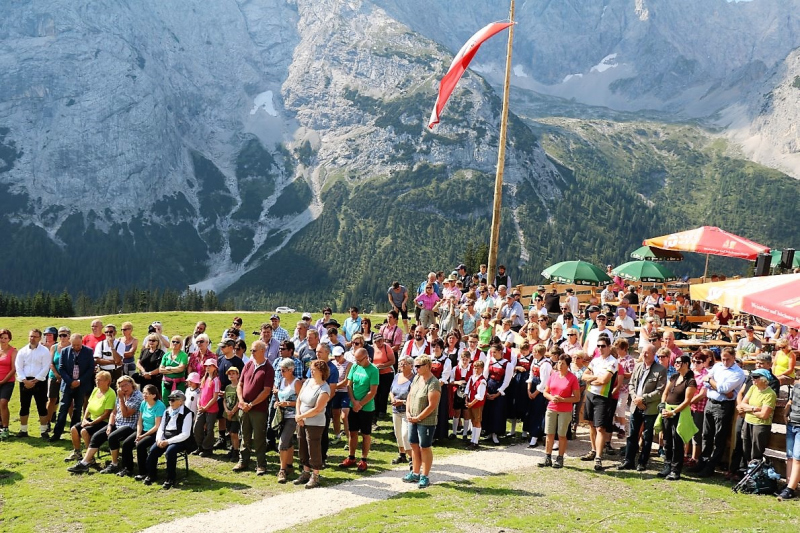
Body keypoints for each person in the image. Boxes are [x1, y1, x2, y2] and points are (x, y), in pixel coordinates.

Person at [690, 347, 746, 478]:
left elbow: (724, 388)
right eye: (723, 359)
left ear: (733, 358)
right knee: (706, 434)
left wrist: (712, 382)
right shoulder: (717, 366)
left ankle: (711, 466)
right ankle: (702, 462)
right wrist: (716, 385)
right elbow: (707, 381)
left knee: (719, 437)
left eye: (728, 359)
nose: (725, 362)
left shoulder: (738, 372)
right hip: (710, 402)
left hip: (723, 405)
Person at [68, 375, 143, 474]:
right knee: (97, 436)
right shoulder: (121, 394)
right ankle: (84, 463)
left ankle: (114, 464)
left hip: (130, 425)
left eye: (126, 385)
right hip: (117, 423)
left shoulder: (137, 396)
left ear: (132, 384)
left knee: (112, 437)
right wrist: (110, 425)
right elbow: (113, 412)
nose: (124, 388)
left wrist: (121, 398)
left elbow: (126, 414)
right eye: (121, 386)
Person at [619, 345, 667, 472]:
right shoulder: (638, 366)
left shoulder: (660, 370)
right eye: (643, 352)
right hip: (636, 406)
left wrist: (643, 399)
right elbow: (631, 384)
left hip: (649, 408)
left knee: (647, 436)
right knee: (632, 434)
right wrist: (635, 398)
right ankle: (628, 460)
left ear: (653, 354)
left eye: (647, 353)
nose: (644, 355)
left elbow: (660, 391)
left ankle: (642, 462)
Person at [234, 341, 275, 476]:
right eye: (251, 350)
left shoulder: (268, 368)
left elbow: (266, 391)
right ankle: (243, 460)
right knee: (244, 435)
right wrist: (241, 402)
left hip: (258, 409)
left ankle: (261, 464)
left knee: (259, 437)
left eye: (254, 350)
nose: (251, 353)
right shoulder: (248, 364)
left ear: (263, 351)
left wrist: (251, 404)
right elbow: (240, 384)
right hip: (244, 407)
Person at [403, 354, 442, 489]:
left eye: (418, 366)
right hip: (412, 418)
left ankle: (425, 475)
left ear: (427, 366)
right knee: (413, 445)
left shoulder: (434, 383)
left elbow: (432, 405)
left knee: (424, 447)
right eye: (415, 366)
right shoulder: (417, 378)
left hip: (426, 421)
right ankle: (415, 472)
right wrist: (408, 412)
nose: (416, 368)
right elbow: (410, 395)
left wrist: (418, 417)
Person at [580, 334, 618, 471]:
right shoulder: (595, 360)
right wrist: (595, 377)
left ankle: (599, 457)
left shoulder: (613, 362)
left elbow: (604, 380)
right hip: (591, 394)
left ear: (609, 347)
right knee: (591, 424)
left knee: (600, 428)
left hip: (603, 397)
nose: (600, 348)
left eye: (603, 346)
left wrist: (592, 379)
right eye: (598, 346)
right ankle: (593, 450)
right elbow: (584, 376)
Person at [144, 389, 195, 489]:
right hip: (166, 437)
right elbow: (161, 428)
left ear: (181, 401)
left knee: (170, 451)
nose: (170, 402)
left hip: (180, 440)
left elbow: (185, 434)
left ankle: (170, 478)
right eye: (169, 400)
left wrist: (168, 442)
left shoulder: (187, 413)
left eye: (173, 400)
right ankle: (151, 475)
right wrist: (159, 439)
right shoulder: (167, 411)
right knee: (153, 450)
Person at [657, 355, 698, 481]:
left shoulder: (690, 381)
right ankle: (667, 466)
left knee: (677, 443)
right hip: (667, 411)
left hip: (679, 414)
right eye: (675, 362)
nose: (676, 364)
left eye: (679, 362)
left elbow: (687, 401)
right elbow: (665, 392)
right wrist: (663, 406)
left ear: (686, 364)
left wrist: (673, 412)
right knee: (667, 441)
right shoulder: (674, 377)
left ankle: (676, 470)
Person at [49, 333, 95, 442]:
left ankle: (75, 433)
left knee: (77, 410)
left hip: (81, 385)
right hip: (67, 385)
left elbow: (90, 368)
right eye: (74, 345)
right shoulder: (65, 351)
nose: (76, 347)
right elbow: (61, 368)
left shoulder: (88, 351)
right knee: (63, 409)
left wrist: (79, 381)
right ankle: (57, 434)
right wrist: (70, 381)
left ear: (82, 342)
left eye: (78, 345)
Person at [294, 359, 331, 489]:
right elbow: (299, 399)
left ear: (321, 371)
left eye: (314, 369)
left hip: (315, 423)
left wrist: (301, 416)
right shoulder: (308, 382)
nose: (311, 371)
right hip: (302, 420)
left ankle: (315, 475)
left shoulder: (325, 389)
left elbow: (317, 409)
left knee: (313, 447)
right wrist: (298, 415)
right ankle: (305, 472)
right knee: (302, 445)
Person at [539, 353, 580, 468]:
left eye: (563, 364)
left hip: (565, 410)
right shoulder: (553, 375)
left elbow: (577, 397)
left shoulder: (572, 378)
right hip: (551, 408)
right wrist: (552, 397)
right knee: (549, 433)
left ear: (568, 365)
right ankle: (547, 457)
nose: (560, 365)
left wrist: (563, 400)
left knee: (561, 434)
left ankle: (560, 458)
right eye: (559, 363)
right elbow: (545, 392)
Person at [64, 371, 115, 465]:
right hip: (91, 419)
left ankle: (90, 458)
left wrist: (91, 423)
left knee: (84, 431)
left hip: (103, 421)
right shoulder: (95, 390)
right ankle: (77, 452)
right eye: (96, 379)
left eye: (100, 380)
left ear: (107, 381)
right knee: (74, 429)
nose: (97, 381)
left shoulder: (111, 394)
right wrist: (84, 419)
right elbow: (88, 406)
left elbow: (106, 414)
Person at [341, 347, 379, 471]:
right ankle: (351, 457)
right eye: (355, 359)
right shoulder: (355, 366)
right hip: (353, 405)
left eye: (359, 360)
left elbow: (372, 391)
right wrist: (353, 401)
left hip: (366, 407)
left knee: (365, 434)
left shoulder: (373, 370)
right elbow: (349, 385)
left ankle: (363, 459)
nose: (357, 362)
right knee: (352, 432)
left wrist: (360, 404)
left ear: (366, 357)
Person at [14, 329, 51, 438]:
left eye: (35, 336)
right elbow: (18, 367)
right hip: (25, 381)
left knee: (41, 406)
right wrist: (24, 380)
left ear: (40, 338)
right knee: (24, 405)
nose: (32, 338)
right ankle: (23, 430)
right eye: (31, 336)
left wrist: (35, 380)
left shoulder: (44, 351)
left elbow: (46, 367)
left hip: (39, 382)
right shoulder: (22, 351)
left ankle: (43, 431)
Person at [121, 384, 164, 478]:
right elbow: (140, 421)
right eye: (143, 393)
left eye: (147, 393)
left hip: (155, 433)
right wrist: (138, 434)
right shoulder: (143, 403)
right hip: (143, 430)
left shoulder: (159, 406)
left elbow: (157, 426)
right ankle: (127, 468)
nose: (144, 395)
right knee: (126, 444)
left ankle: (143, 472)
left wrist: (142, 436)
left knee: (140, 445)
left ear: (154, 395)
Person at [272, 358, 302, 483]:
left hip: (292, 416)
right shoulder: (282, 381)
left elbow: (301, 401)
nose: (281, 373)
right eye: (280, 370)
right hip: (282, 416)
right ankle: (289, 466)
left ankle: (282, 470)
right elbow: (280, 395)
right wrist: (278, 403)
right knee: (288, 441)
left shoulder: (297, 382)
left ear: (291, 370)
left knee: (282, 443)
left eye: (283, 370)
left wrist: (288, 403)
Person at [738, 368, 776, 466]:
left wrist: (748, 410)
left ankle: (755, 472)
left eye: (755, 377)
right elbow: (742, 404)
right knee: (746, 449)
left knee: (756, 452)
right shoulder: (752, 388)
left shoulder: (770, 394)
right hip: (748, 422)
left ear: (764, 379)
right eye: (752, 377)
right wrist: (754, 408)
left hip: (760, 426)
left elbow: (764, 415)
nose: (752, 379)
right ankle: (748, 470)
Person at [482, 343, 514, 445]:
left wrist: (498, 393)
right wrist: (485, 390)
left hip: (499, 389)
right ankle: (488, 431)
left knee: (497, 411)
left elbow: (507, 381)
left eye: (495, 352)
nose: (493, 354)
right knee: (488, 410)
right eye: (492, 352)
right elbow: (485, 376)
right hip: (489, 386)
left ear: (500, 351)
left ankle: (495, 433)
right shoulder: (489, 361)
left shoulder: (508, 364)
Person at [525, 344, 552, 448]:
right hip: (533, 387)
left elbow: (544, 382)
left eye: (534, 351)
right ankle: (531, 433)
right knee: (531, 412)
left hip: (540, 392)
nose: (532, 353)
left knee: (538, 413)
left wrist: (535, 393)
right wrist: (529, 389)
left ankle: (535, 437)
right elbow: (531, 375)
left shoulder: (545, 364)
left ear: (539, 353)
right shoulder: (535, 361)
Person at [193, 358, 221, 456]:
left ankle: (207, 448)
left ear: (215, 367)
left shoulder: (216, 380)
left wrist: (206, 407)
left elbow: (215, 397)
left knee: (209, 429)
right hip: (202, 408)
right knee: (197, 427)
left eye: (210, 366)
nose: (208, 367)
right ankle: (200, 446)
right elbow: (200, 394)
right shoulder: (204, 379)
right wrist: (199, 405)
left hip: (211, 409)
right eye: (206, 366)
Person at [389, 356, 414, 464]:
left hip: (407, 411)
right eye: (400, 363)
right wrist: (392, 399)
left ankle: (412, 458)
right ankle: (402, 455)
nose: (401, 365)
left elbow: (414, 397)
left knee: (405, 435)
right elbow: (391, 390)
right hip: (395, 410)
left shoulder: (414, 379)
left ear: (411, 366)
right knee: (398, 434)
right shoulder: (397, 376)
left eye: (404, 364)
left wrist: (402, 402)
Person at [779, 378, 800, 500]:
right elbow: (791, 401)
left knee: (797, 458)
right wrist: (785, 413)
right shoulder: (796, 386)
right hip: (792, 424)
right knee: (790, 456)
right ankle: (788, 484)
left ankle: (791, 489)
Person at [46, 327, 71, 430]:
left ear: (69, 336)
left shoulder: (72, 347)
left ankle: (73, 424)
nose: (62, 337)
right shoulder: (54, 347)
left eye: (64, 335)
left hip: (68, 377)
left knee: (70, 401)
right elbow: (51, 363)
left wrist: (65, 377)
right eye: (60, 335)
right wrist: (57, 375)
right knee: (52, 399)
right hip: (54, 376)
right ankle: (47, 423)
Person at [430, 339, 452, 441]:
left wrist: (435, 386)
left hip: (440, 389)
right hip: (428, 387)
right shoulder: (428, 359)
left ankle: (438, 435)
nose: (435, 349)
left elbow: (444, 377)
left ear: (442, 349)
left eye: (437, 347)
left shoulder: (447, 360)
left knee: (439, 411)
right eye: (434, 347)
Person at [371, 333, 395, 424]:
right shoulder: (372, 348)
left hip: (386, 373)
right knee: (376, 393)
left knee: (384, 393)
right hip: (376, 374)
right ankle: (375, 410)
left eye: (381, 340)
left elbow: (392, 361)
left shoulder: (387, 348)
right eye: (378, 341)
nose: (380, 342)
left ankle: (382, 411)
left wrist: (382, 365)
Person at [464, 359, 487, 450]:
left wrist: (471, 403)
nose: (476, 370)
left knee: (477, 421)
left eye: (478, 368)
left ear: (482, 369)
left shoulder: (482, 381)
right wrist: (466, 398)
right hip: (471, 402)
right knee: (473, 420)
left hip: (477, 404)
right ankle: (472, 439)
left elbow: (480, 396)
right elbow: (467, 389)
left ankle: (476, 441)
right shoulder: (472, 377)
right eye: (475, 368)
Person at [330, 345, 352, 440]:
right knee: (335, 415)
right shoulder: (332, 363)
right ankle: (337, 436)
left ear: (343, 354)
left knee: (344, 416)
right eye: (335, 356)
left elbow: (346, 381)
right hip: (335, 393)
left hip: (345, 393)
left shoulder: (349, 364)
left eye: (339, 356)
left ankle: (349, 438)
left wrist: (333, 386)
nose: (337, 358)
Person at [450, 351, 472, 441]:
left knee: (466, 413)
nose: (465, 361)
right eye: (463, 359)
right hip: (458, 393)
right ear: (460, 359)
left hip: (467, 394)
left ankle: (465, 433)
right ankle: (454, 432)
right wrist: (457, 382)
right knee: (457, 413)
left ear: (469, 360)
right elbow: (451, 381)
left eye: (466, 359)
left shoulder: (472, 369)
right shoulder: (455, 368)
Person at [222, 367, 242, 461]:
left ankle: (236, 452)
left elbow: (239, 401)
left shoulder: (239, 387)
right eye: (229, 374)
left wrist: (233, 412)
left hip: (235, 415)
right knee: (230, 432)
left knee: (234, 433)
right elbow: (225, 400)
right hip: (228, 413)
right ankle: (232, 449)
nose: (231, 375)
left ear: (238, 375)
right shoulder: (227, 387)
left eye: (233, 373)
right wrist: (227, 410)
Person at [0, 329, 17, 438]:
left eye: (5, 338)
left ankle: (5, 427)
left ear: (9, 339)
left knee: (3, 402)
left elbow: (13, 369)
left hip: (7, 382)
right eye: (1, 338)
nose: (3, 340)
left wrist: (3, 381)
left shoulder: (13, 351)